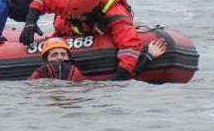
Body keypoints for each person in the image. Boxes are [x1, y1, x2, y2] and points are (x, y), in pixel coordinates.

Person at [19, 0, 141, 80]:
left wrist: (118, 79)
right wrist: (30, 22)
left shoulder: (115, 13)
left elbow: (130, 47)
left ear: (92, 11)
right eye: (71, 14)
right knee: (62, 24)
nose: (73, 17)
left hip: (99, 35)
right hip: (67, 32)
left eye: (78, 15)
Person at [28, 36, 167, 81]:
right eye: (54, 54)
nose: (59, 58)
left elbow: (116, 81)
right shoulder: (43, 71)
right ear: (46, 59)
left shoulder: (75, 74)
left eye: (63, 54)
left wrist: (149, 56)